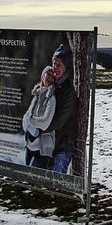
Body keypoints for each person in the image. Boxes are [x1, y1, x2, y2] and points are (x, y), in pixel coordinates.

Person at [43, 44, 77, 174]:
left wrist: (38, 128)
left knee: (58, 184)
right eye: (54, 64)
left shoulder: (68, 91)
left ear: (64, 67)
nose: (55, 68)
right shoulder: (53, 87)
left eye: (59, 64)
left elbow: (59, 120)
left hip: (63, 145)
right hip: (50, 145)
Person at [22, 66, 57, 168]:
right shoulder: (36, 95)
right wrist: (30, 124)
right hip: (30, 146)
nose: (50, 78)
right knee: (29, 180)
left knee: (37, 180)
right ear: (42, 76)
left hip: (43, 148)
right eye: (48, 74)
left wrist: (30, 121)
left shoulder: (51, 98)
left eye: (53, 77)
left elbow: (45, 122)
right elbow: (25, 119)